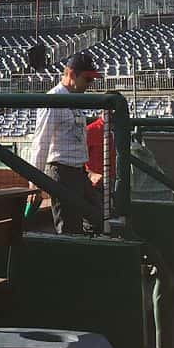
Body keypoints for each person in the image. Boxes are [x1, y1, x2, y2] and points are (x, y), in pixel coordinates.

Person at [29, 51, 105, 235]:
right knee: (69, 228)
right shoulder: (53, 98)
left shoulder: (75, 98)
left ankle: (84, 253)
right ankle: (70, 261)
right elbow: (41, 142)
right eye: (87, 79)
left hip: (79, 172)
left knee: (98, 216)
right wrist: (34, 183)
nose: (90, 84)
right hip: (61, 171)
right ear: (71, 74)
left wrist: (88, 170)